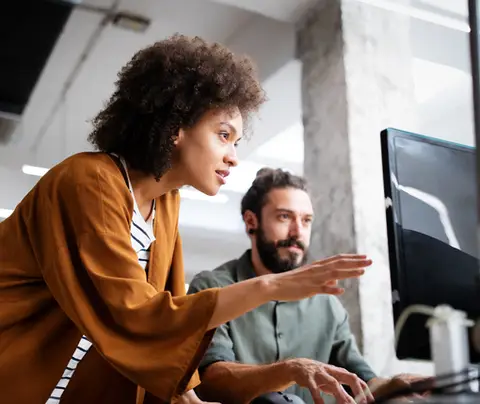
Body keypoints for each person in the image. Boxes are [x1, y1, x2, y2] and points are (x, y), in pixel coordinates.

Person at [0, 35, 373, 404]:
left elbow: (169, 312)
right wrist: (270, 287)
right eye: (223, 135)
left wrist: (189, 398)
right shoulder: (89, 181)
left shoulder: (165, 204)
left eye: (236, 142)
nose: (233, 157)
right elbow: (135, 314)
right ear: (175, 127)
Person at [188, 168, 424, 404]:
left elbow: (363, 384)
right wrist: (290, 370)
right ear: (251, 221)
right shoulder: (212, 288)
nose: (297, 231)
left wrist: (394, 385)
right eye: (284, 217)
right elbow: (209, 382)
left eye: (306, 220)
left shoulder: (327, 303)